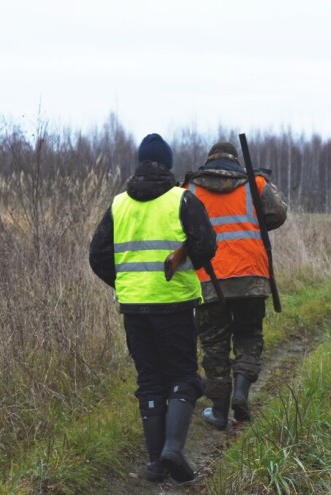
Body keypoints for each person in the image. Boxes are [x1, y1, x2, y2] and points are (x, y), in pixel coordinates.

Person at [89, 133, 217, 482]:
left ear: (140, 163)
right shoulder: (183, 199)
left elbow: (97, 256)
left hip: (134, 308)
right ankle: (173, 449)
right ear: (169, 164)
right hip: (174, 305)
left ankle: (156, 465)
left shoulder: (118, 204)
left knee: (149, 382)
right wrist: (184, 262)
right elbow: (207, 246)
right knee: (184, 377)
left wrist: (126, 283)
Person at [183, 141, 288, 430]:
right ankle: (241, 392)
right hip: (250, 275)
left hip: (208, 278)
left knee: (214, 345)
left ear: (209, 160)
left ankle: (219, 411)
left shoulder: (189, 188)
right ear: (235, 160)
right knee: (249, 335)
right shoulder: (255, 183)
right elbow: (278, 214)